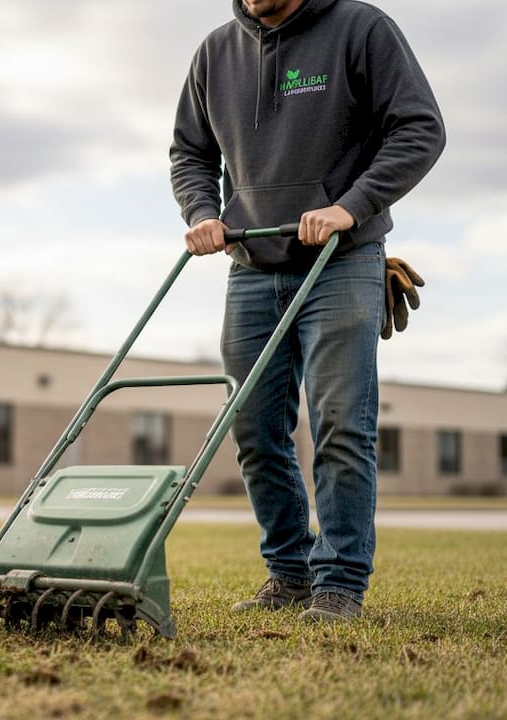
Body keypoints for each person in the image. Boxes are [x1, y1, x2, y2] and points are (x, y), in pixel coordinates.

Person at [170, 0, 445, 622]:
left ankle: (340, 583)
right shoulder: (216, 52)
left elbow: (420, 127)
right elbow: (190, 152)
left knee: (341, 423)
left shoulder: (362, 29)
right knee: (253, 429)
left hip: (341, 259)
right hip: (250, 265)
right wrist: (202, 213)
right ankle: (289, 574)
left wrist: (354, 205)